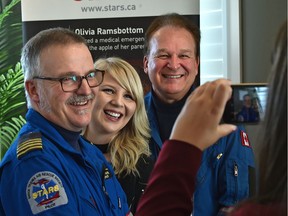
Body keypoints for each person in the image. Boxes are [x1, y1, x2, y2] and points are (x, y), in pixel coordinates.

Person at [136, 20, 287, 216]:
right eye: (163, 55)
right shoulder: (127, 118)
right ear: (147, 63)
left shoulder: (225, 121)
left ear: (197, 64)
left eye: (184, 55)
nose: (174, 64)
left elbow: (236, 202)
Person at [0, 27, 130, 215]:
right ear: (34, 90)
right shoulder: (35, 166)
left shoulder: (88, 152)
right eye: (69, 79)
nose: (86, 90)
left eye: (90, 76)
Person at [83, 57, 154, 214]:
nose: (118, 102)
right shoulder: (62, 154)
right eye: (109, 90)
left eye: (128, 96)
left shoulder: (144, 167)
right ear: (88, 94)